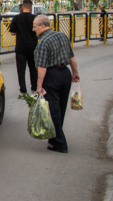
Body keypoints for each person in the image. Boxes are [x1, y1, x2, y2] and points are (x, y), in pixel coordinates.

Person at [32, 15, 80, 154]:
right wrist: (75, 73)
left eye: (35, 27)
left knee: (52, 110)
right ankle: (53, 138)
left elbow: (42, 66)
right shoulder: (62, 36)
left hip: (51, 76)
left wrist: (39, 86)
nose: (33, 29)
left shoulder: (43, 42)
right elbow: (72, 57)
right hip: (65, 73)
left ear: (42, 26)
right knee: (60, 108)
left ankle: (60, 143)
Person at [9, 0, 38, 94]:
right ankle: (34, 87)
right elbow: (38, 32)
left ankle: (23, 89)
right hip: (33, 47)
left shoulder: (16, 18)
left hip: (20, 47)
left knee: (21, 69)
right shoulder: (35, 18)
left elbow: (12, 32)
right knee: (33, 68)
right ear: (31, 7)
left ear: (22, 7)